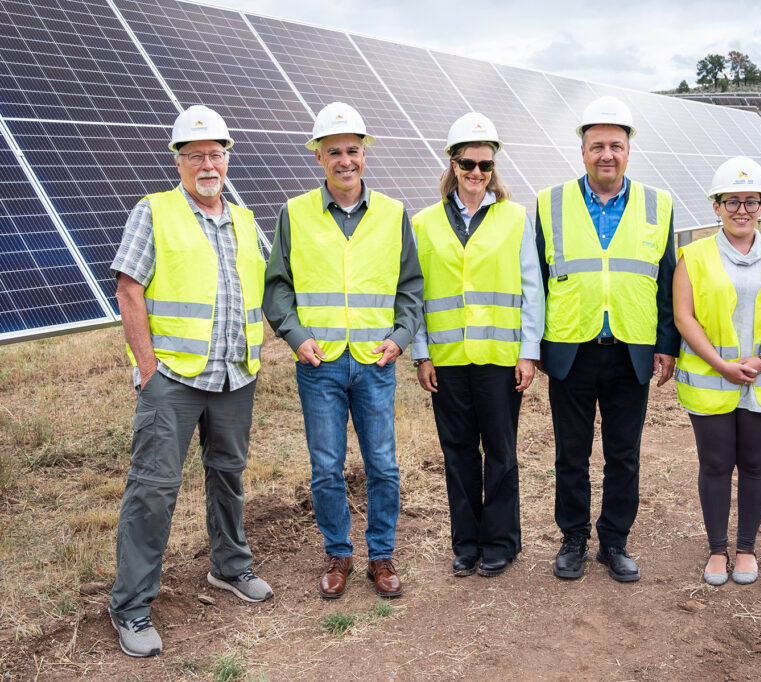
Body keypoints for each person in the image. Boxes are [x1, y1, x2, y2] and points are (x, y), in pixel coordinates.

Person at [108, 105, 272, 658]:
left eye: (216, 154)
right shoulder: (153, 212)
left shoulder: (246, 220)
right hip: (174, 378)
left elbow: (267, 289)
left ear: (227, 159)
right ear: (179, 161)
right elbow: (129, 288)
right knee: (153, 490)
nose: (208, 163)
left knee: (228, 475)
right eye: (196, 155)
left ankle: (229, 566)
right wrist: (147, 366)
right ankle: (130, 606)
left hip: (235, 375)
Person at [263, 102, 423, 599]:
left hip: (375, 360)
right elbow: (277, 287)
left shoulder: (394, 214)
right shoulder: (294, 213)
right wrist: (295, 336)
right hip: (320, 362)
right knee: (327, 466)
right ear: (319, 157)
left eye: (353, 150)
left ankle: (381, 555)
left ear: (364, 153)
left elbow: (411, 287)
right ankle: (338, 553)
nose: (345, 160)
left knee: (382, 465)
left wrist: (399, 339)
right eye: (334, 151)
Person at [535, 96, 679, 583]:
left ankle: (614, 541)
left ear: (629, 149)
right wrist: (532, 346)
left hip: (631, 352)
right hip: (570, 351)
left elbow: (666, 279)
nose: (606, 155)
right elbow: (535, 280)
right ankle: (573, 538)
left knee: (624, 454)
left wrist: (667, 343)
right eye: (597, 145)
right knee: (570, 454)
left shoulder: (658, 205)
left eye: (616, 145)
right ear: (582, 151)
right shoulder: (549, 203)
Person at [411, 113, 543, 578]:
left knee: (502, 454)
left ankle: (501, 542)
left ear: (493, 168)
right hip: (446, 361)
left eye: (485, 165)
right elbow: (416, 292)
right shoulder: (422, 223)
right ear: (452, 162)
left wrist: (529, 351)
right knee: (458, 453)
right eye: (468, 163)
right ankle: (466, 543)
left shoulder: (515, 217)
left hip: (500, 360)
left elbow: (532, 289)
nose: (476, 173)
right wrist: (421, 352)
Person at [673, 157, 761, 586]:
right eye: (732, 201)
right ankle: (716, 550)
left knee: (755, 464)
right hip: (712, 381)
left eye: (751, 201)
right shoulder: (692, 256)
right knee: (714, 465)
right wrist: (721, 365)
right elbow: (684, 317)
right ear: (716, 206)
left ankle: (746, 548)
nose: (742, 210)